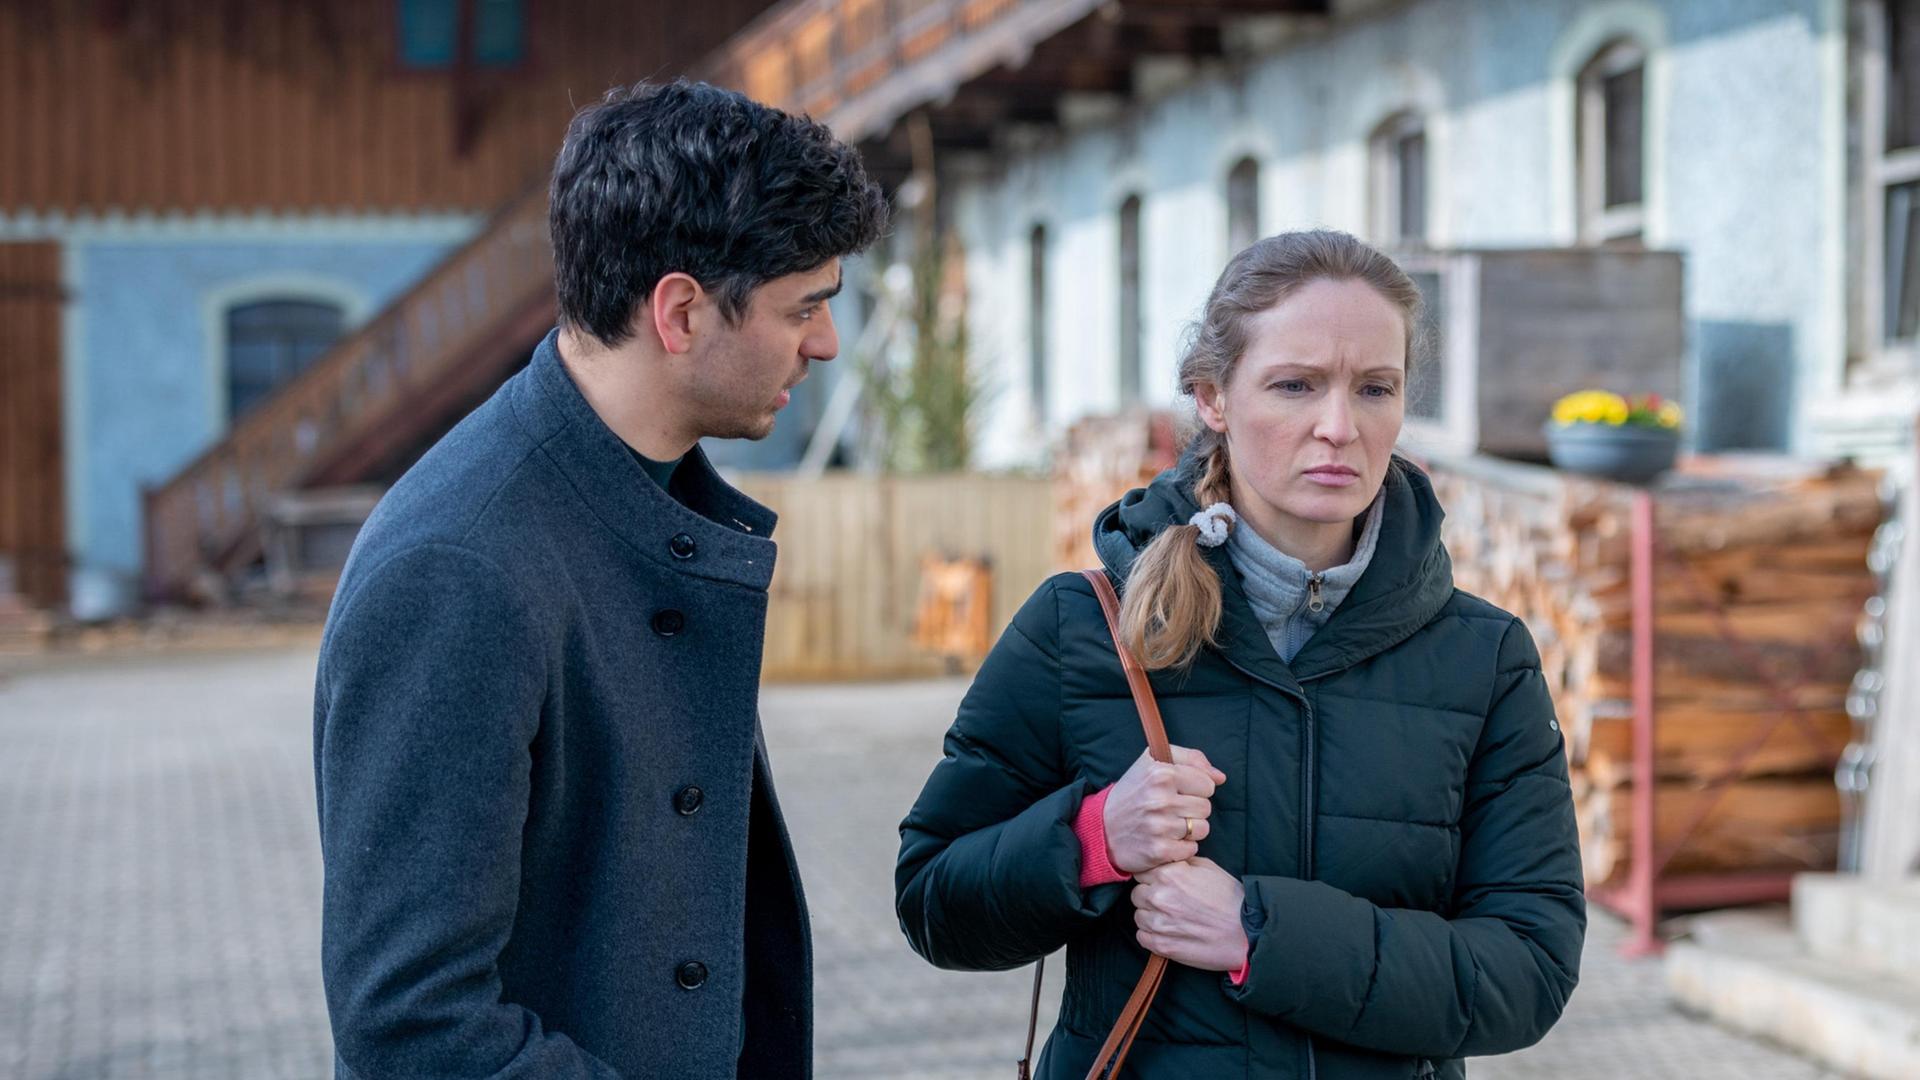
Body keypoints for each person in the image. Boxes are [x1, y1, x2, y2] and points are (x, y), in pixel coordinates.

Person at [895, 230, 1584, 1079]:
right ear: (1212, 397)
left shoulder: (1485, 660)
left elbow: (1529, 971)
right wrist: (1092, 838)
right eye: (1294, 385)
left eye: (1375, 388)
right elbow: (933, 902)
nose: (1339, 427)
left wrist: (1260, 934)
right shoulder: (1083, 628)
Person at [314, 80, 887, 1079]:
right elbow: (413, 1026)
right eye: (805, 307)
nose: (826, 342)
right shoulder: (461, 566)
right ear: (680, 312)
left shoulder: (649, 499)